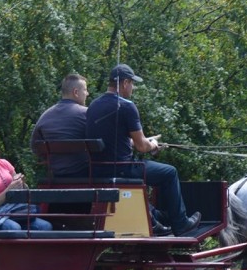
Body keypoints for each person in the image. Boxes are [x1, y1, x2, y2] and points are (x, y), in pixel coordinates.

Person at [85, 63, 200, 236]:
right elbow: (142, 146)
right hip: (122, 169)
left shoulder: (93, 105)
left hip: (98, 169)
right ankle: (181, 223)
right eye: (132, 83)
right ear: (124, 83)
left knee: (158, 170)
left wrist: (135, 142)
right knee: (169, 173)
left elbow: (114, 140)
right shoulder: (126, 105)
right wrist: (152, 144)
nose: (133, 88)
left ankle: (156, 217)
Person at [30, 73, 91, 178]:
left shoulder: (45, 116)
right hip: (86, 175)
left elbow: (35, 146)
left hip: (55, 175)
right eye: (85, 90)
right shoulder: (87, 113)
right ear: (76, 92)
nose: (87, 93)